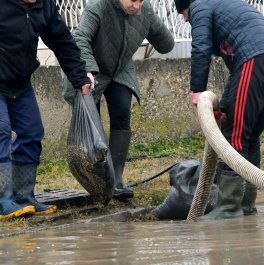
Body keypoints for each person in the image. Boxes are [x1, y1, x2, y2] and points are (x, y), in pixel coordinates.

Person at [173, 0, 264, 220]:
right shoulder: (220, 5)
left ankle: (229, 207)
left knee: (233, 138)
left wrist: (197, 93)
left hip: (254, 60)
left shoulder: (199, 6)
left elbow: (201, 47)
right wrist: (224, 106)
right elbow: (235, 74)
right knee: (250, 137)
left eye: (183, 14)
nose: (186, 19)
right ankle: (246, 205)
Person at [62, 0, 175, 200]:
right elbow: (80, 38)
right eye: (133, 0)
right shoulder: (98, 6)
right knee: (91, 124)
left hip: (120, 70)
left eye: (141, 0)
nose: (137, 5)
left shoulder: (144, 9)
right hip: (90, 70)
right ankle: (96, 181)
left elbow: (166, 45)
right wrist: (86, 70)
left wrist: (157, 28)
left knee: (122, 112)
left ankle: (116, 180)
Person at [0, 0, 92, 220]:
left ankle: (24, 196)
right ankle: (2, 199)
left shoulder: (44, 6)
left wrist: (80, 76)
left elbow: (62, 41)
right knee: (1, 131)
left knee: (32, 132)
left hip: (20, 83)